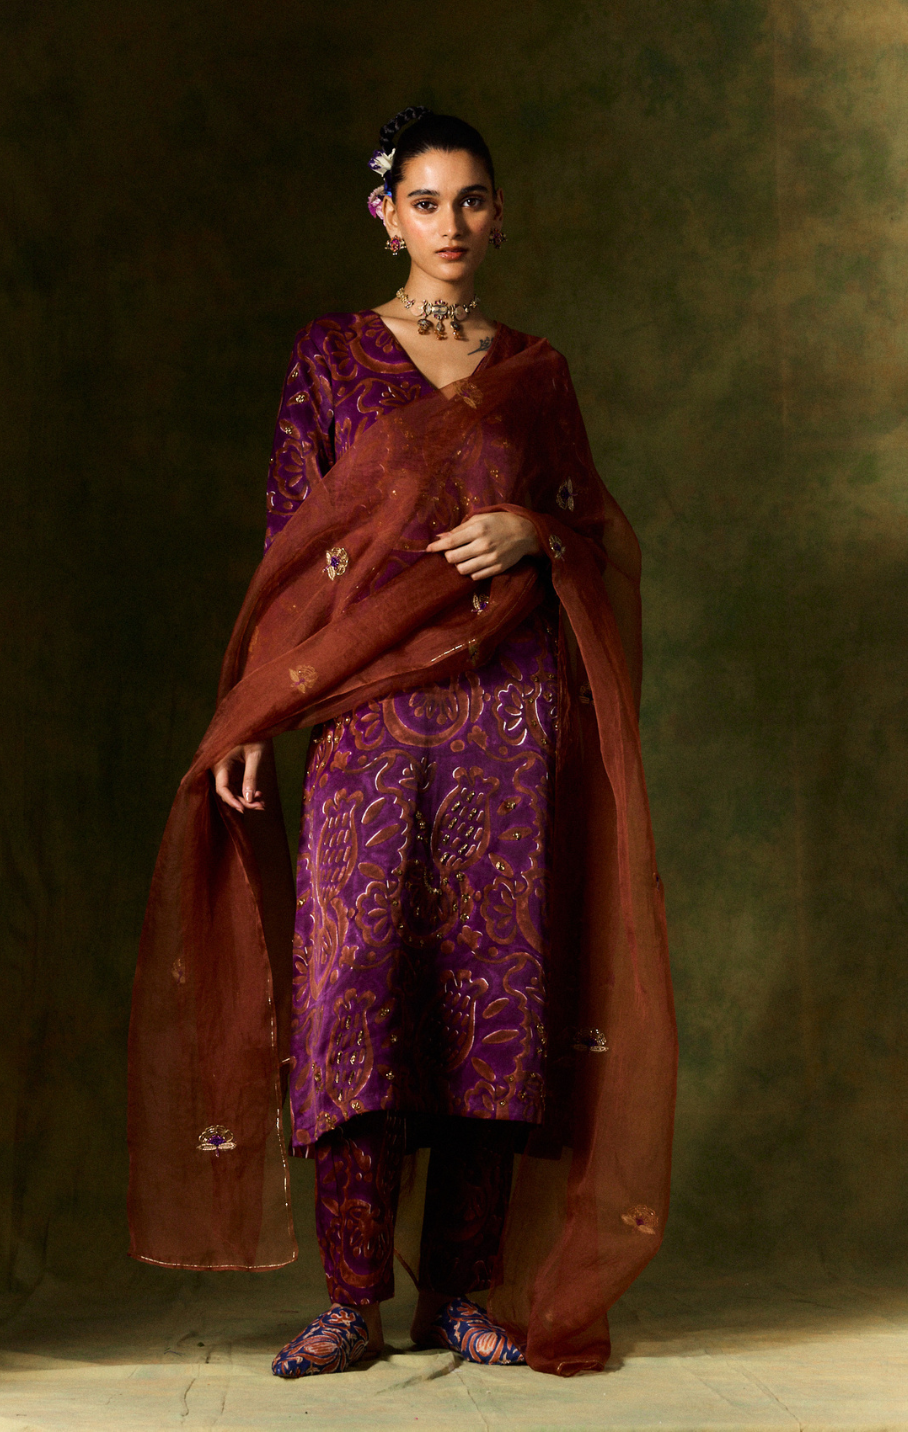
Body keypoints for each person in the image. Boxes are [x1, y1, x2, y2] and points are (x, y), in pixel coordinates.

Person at [127, 108, 676, 1382]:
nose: (451, 224)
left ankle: (460, 1296)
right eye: (425, 202)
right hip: (368, 711)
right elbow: (291, 550)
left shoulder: (533, 371)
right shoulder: (330, 354)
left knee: (492, 990)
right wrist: (256, 708)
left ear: (500, 212)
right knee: (355, 989)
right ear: (385, 217)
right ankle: (349, 1304)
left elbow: (590, 526)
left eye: (472, 199)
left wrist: (535, 536)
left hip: (509, 711)